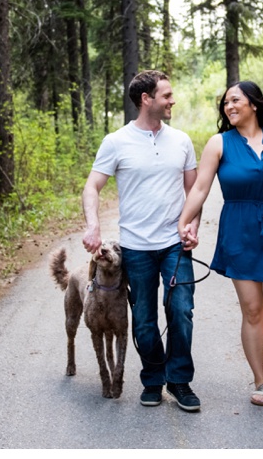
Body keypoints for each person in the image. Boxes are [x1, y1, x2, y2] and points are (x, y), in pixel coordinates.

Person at [178, 81, 263, 407]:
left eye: (235, 100)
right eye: (225, 103)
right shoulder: (219, 143)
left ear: (254, 103)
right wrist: (185, 222)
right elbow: (199, 189)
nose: (229, 106)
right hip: (239, 232)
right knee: (252, 311)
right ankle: (259, 380)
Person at [82, 69, 203, 412]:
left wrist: (192, 225)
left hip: (174, 245)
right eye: (166, 95)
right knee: (146, 320)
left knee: (181, 310)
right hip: (135, 247)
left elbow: (193, 190)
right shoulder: (116, 141)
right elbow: (92, 186)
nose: (172, 100)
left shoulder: (181, 140)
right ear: (146, 99)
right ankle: (153, 377)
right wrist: (92, 226)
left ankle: (179, 380)